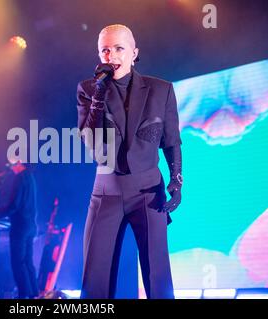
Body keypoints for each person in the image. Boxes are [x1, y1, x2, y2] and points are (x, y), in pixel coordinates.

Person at [76, 24, 183, 299]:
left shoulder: (161, 90)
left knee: (157, 274)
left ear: (134, 53)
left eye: (119, 48)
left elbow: (171, 141)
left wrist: (177, 180)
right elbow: (90, 142)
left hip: (148, 191)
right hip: (106, 191)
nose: (111, 55)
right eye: (105, 50)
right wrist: (99, 93)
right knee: (94, 275)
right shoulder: (88, 89)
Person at [0, 159, 39, 299]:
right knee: (27, 262)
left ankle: (23, 296)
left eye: (12, 163)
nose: (10, 167)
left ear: (19, 162)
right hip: (30, 225)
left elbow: (15, 205)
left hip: (20, 226)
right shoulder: (30, 176)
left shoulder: (19, 178)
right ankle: (34, 294)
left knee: (18, 262)